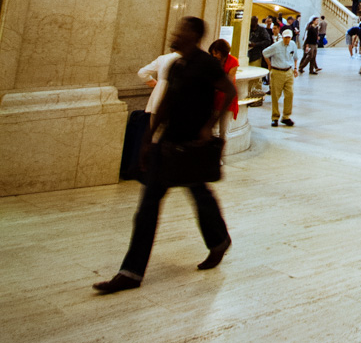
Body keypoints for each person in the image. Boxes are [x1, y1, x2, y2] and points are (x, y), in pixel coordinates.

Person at [93, 17, 235, 292]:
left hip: (191, 145)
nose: (175, 35)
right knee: (149, 207)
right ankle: (131, 272)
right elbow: (168, 100)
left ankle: (218, 241)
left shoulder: (206, 64)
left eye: (180, 32)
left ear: (194, 36)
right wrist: (149, 137)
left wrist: (210, 126)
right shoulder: (177, 65)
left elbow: (230, 90)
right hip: (168, 144)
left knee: (200, 196)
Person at [263, 28, 299, 126]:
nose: (287, 40)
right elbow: (265, 53)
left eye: (288, 38)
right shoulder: (276, 46)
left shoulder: (292, 45)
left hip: (288, 71)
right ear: (282, 37)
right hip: (277, 71)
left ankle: (286, 116)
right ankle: (275, 117)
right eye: (285, 38)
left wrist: (295, 68)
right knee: (275, 95)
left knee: (289, 94)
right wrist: (269, 64)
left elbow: (295, 57)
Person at [208, 38, 239, 121]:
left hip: (226, 98)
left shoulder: (233, 61)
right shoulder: (213, 61)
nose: (214, 55)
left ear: (223, 52)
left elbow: (228, 81)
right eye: (213, 53)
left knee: (224, 129)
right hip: (214, 98)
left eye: (216, 53)